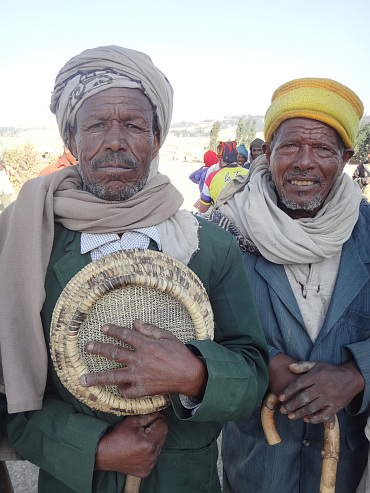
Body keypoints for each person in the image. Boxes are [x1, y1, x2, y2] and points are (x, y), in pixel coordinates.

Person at [0, 45, 269, 493]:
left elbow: (253, 375)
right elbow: (15, 398)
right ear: (72, 141)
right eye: (96, 125)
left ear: (157, 138)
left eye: (133, 125)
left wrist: (197, 374)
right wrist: (96, 448)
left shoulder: (210, 248)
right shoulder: (31, 248)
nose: (114, 141)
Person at [210, 78, 370, 493]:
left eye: (322, 149)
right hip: (253, 467)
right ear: (266, 153)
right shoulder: (222, 233)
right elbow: (196, 329)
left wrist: (357, 375)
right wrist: (262, 365)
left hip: (343, 466)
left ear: (345, 158)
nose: (304, 162)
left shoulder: (368, 232)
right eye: (290, 147)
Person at [199, 141, 248, 214]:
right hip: (244, 219)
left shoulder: (212, 177)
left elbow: (203, 208)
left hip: (222, 221)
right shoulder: (248, 173)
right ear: (236, 156)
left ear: (219, 158)